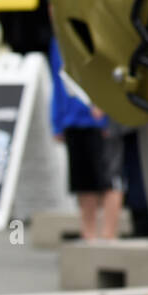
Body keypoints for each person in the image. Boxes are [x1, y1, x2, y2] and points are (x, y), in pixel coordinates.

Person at [49, 36, 124, 241]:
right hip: (73, 121)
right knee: (83, 181)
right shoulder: (57, 41)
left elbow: (110, 67)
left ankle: (109, 236)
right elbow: (57, 81)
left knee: (110, 178)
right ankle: (88, 235)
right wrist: (57, 121)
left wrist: (105, 103)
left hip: (100, 120)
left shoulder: (93, 28)